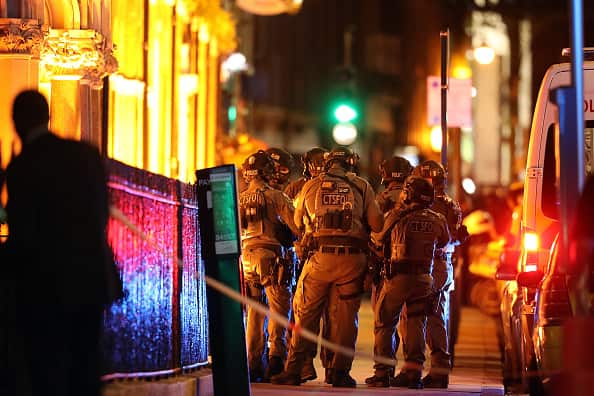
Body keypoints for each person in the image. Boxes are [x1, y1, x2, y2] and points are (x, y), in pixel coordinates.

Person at [2, 90, 123, 396]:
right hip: (91, 279)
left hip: (47, 286)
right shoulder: (85, 154)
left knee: (48, 368)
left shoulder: (23, 166)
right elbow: (100, 214)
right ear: (47, 116)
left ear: (17, 122)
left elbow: (24, 233)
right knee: (85, 363)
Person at [271, 146, 383, 387]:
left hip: (320, 259)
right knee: (345, 319)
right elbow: (377, 224)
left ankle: (293, 370)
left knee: (305, 314)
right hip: (353, 261)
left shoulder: (311, 185)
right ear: (351, 164)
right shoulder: (362, 186)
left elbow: (299, 221)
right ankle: (339, 372)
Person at [367, 175, 450, 389]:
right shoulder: (437, 218)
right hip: (424, 278)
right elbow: (445, 241)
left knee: (385, 322)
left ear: (409, 193)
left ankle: (382, 372)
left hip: (398, 277)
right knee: (416, 323)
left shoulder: (397, 216)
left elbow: (377, 237)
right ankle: (413, 373)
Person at [238, 150, 300, 382]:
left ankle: (253, 365)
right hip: (271, 256)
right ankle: (275, 359)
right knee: (278, 308)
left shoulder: (240, 197)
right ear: (266, 172)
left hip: (247, 259)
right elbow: (297, 227)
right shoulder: (275, 196)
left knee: (255, 311)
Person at [409, 160, 467, 388]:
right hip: (443, 266)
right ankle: (438, 370)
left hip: (429, 265)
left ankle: (421, 370)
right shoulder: (452, 205)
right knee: (436, 316)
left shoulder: (427, 204)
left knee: (420, 317)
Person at [283, 146, 328, 383]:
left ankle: (305, 363)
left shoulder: (299, 187)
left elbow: (290, 221)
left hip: (308, 256)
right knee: (321, 314)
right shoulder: (349, 185)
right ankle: (322, 366)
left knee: (304, 314)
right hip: (311, 256)